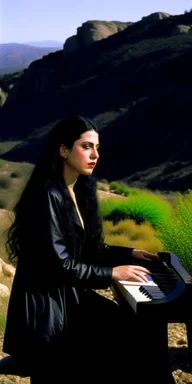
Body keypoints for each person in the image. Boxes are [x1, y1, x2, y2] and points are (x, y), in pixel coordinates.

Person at [3, 115, 160, 384]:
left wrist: (127, 254)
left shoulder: (76, 189)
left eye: (97, 147)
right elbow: (60, 265)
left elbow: (86, 250)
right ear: (63, 149)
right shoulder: (47, 194)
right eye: (86, 146)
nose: (95, 154)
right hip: (50, 308)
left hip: (69, 297)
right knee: (128, 336)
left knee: (138, 328)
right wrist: (113, 273)